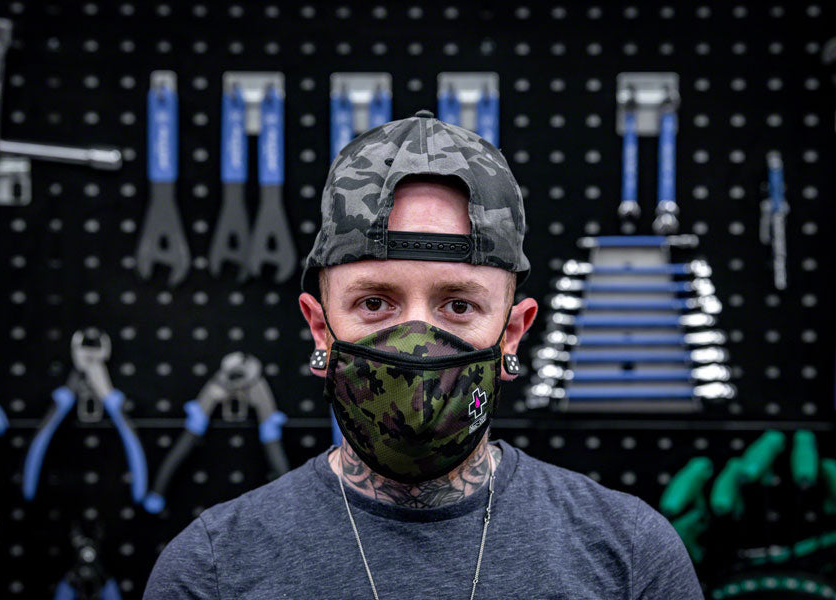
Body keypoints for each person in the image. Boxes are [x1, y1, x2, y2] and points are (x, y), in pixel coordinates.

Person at [143, 110, 703, 599]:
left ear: (512, 334)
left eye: (458, 305)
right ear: (320, 329)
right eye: (374, 303)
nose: (416, 342)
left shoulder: (631, 556)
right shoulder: (212, 570)